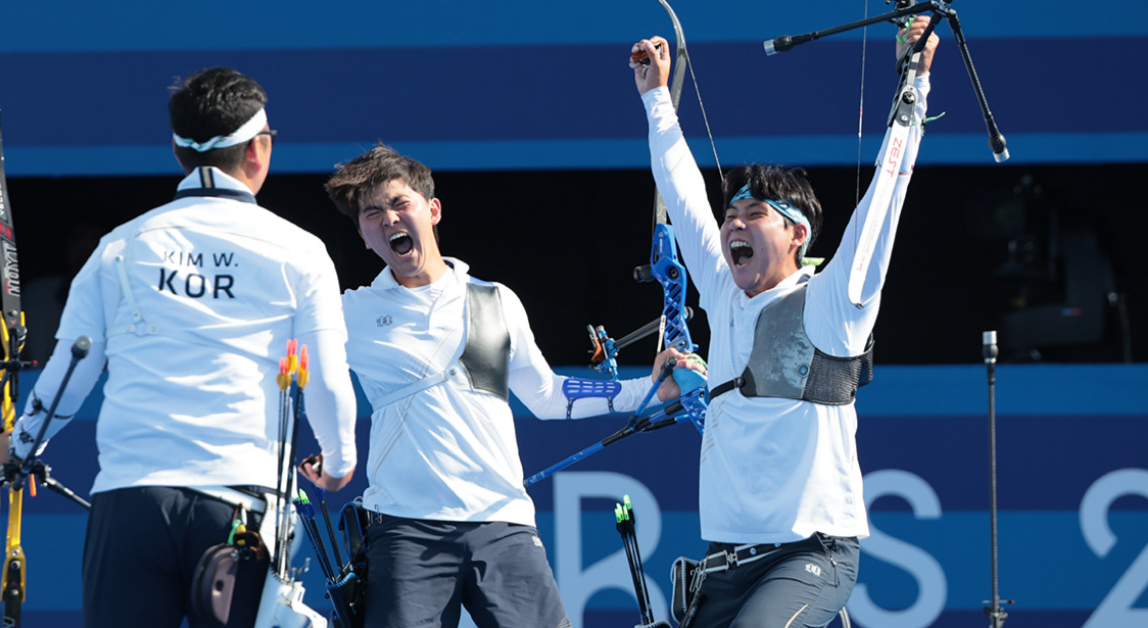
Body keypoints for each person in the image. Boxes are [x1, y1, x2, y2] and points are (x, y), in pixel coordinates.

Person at [0, 67, 358, 628]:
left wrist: (18, 446)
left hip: (132, 504)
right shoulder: (300, 251)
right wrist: (339, 460)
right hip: (243, 504)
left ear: (177, 151)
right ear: (259, 150)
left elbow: (72, 366)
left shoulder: (119, 246)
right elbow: (328, 380)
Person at [628, 15, 940, 628]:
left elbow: (885, 198)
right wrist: (656, 98)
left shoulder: (832, 303)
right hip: (724, 562)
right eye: (732, 214)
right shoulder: (723, 294)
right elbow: (684, 191)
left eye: (755, 213)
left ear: (798, 233)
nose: (733, 223)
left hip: (811, 553)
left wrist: (914, 86)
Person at [318, 145, 700, 628]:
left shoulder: (497, 300)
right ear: (363, 236)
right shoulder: (349, 312)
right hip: (406, 531)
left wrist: (644, 391)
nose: (389, 218)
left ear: (432, 210)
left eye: (400, 204)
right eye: (373, 213)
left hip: (503, 525)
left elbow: (548, 395)